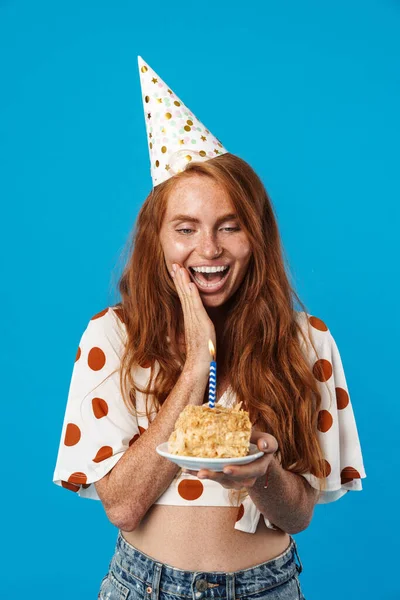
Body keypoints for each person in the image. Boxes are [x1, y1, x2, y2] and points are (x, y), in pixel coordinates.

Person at [53, 57, 366, 600]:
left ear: (256, 238)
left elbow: (298, 516)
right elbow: (122, 506)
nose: (210, 250)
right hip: (144, 587)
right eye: (186, 228)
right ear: (158, 240)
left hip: (268, 587)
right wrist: (198, 363)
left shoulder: (307, 340)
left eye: (230, 226)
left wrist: (262, 470)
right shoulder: (111, 337)